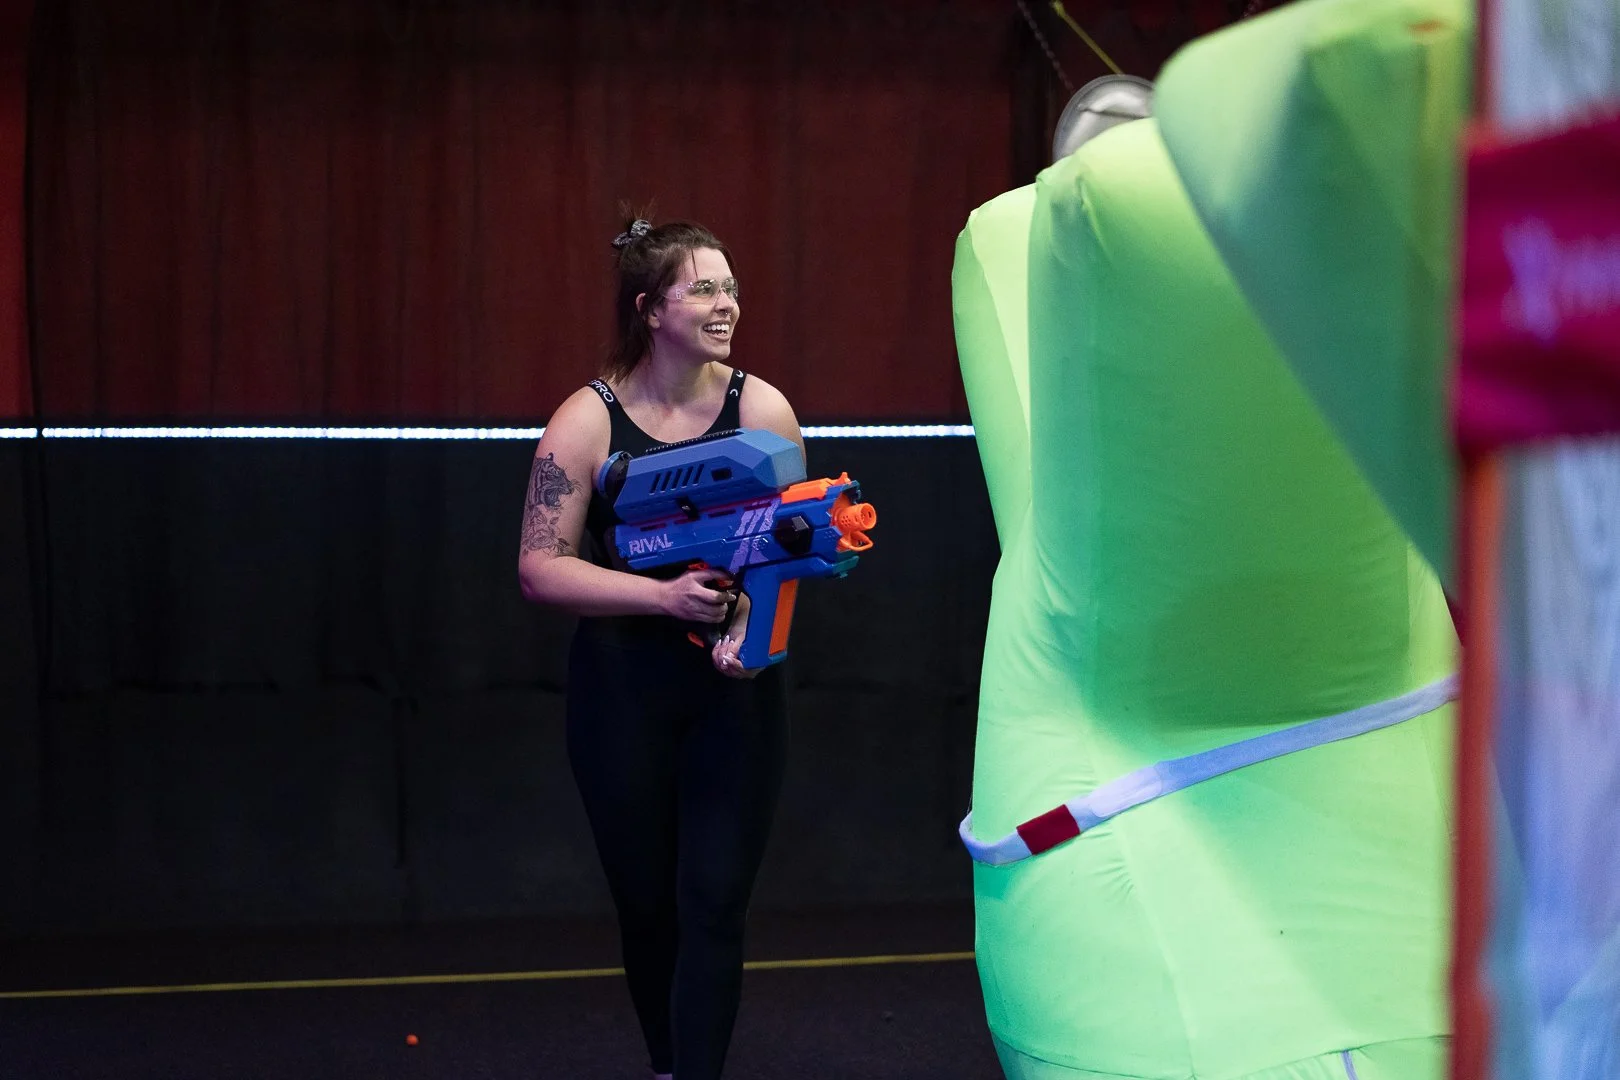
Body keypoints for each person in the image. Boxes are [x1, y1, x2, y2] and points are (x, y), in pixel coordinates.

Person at [517, 214, 804, 1080]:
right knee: (648, 909)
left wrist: (750, 638)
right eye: (705, 289)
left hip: (735, 694)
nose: (728, 305)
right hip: (623, 697)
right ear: (650, 309)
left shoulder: (762, 407)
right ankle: (668, 1064)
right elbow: (539, 568)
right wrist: (660, 596)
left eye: (732, 287)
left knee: (715, 903)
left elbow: (790, 553)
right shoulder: (586, 420)